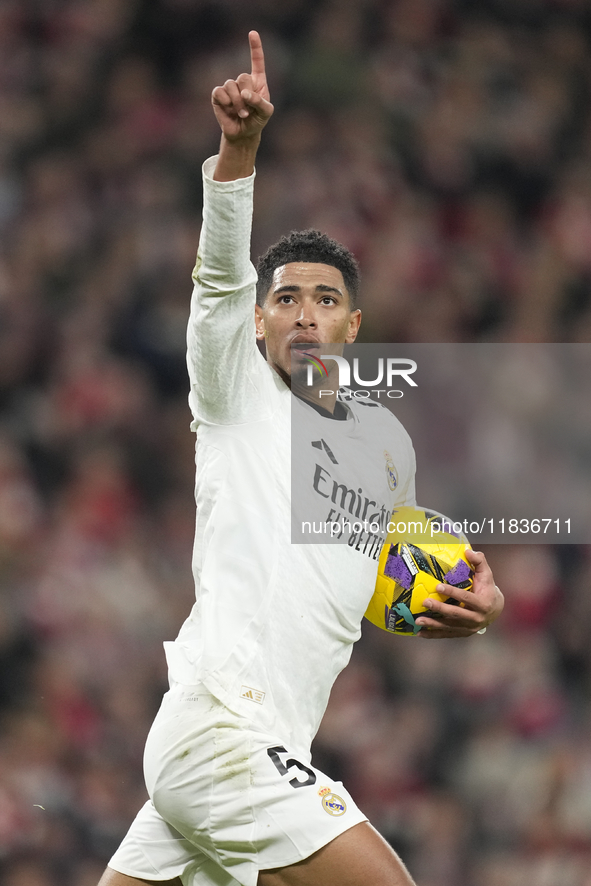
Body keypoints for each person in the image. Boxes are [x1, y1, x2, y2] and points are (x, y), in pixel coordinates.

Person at [98, 31, 504, 886]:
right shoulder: (234, 393)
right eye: (285, 299)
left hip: (262, 742)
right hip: (222, 730)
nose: (305, 315)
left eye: (325, 300)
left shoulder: (386, 444)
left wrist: (478, 597)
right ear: (259, 321)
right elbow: (216, 276)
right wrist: (237, 152)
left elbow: (411, 560)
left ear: (352, 327)